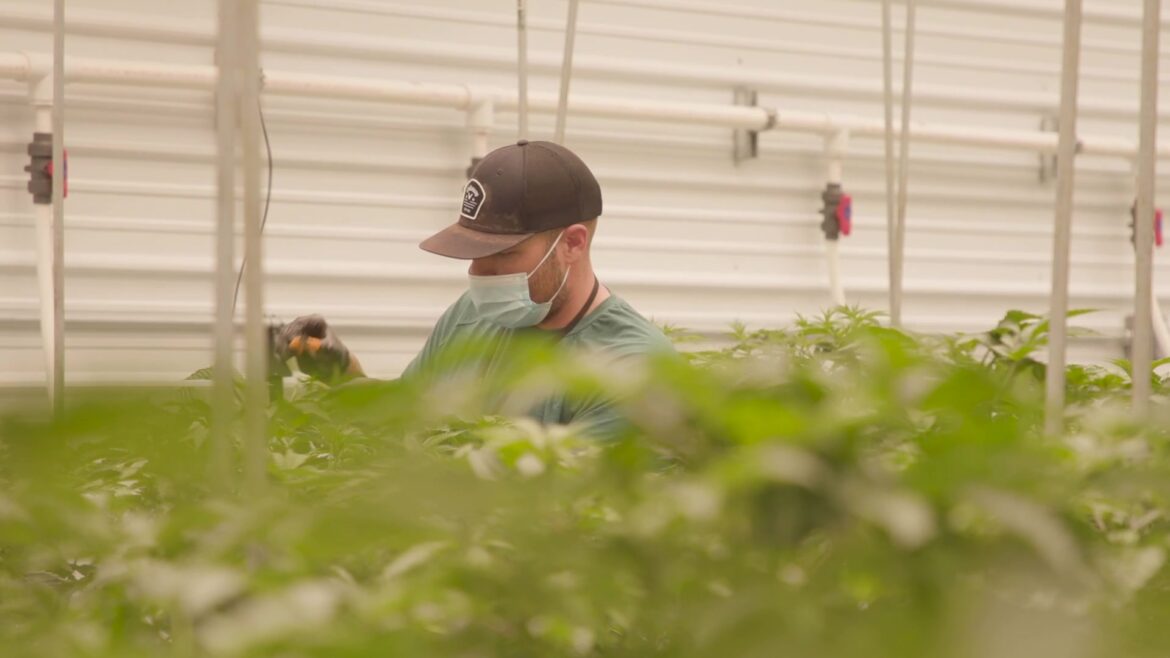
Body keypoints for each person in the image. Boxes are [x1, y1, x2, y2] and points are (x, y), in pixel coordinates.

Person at [278, 140, 674, 437]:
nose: (478, 272)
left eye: (503, 254)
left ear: (571, 244)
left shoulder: (634, 371)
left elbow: (578, 524)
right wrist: (341, 372)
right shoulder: (472, 313)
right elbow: (409, 412)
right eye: (473, 252)